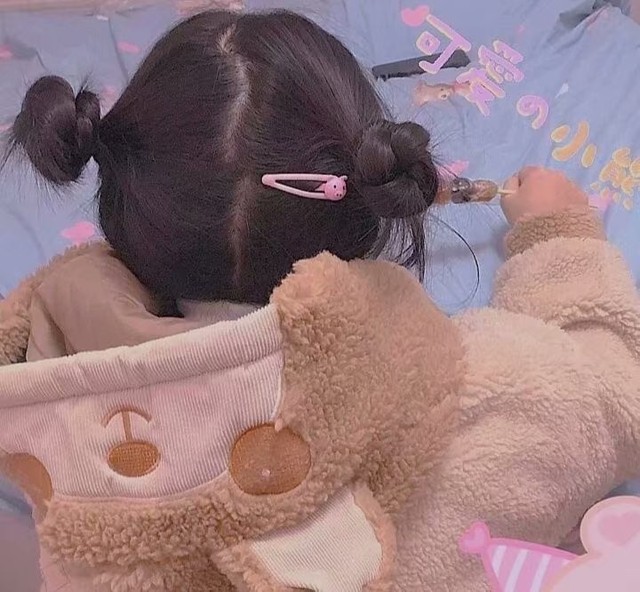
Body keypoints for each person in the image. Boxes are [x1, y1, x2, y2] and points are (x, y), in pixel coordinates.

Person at [2, 9, 640, 592]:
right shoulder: (457, 406)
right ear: (369, 197)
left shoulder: (51, 416)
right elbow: (614, 392)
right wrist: (559, 238)